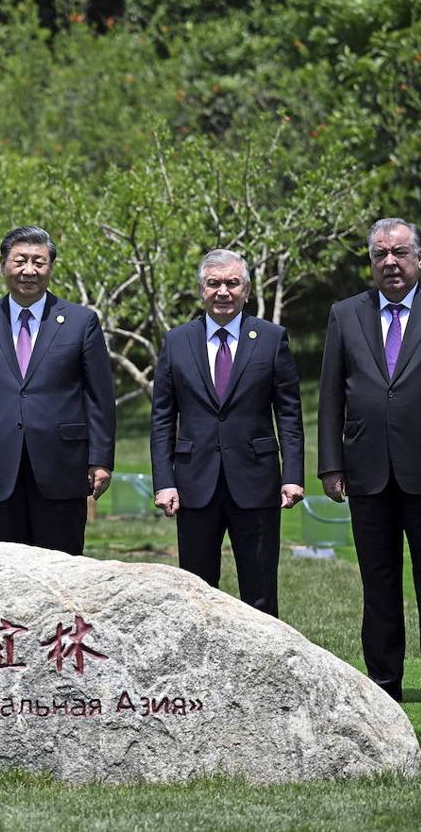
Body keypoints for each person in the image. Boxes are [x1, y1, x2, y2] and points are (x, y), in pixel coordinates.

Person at [318, 217, 421, 706]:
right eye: (379, 255)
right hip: (367, 470)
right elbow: (331, 395)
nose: (389, 262)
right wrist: (331, 464)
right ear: (371, 261)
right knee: (379, 579)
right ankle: (384, 680)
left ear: (419, 256)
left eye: (398, 253)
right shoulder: (346, 314)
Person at [150, 249, 304, 616]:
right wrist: (164, 481)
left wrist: (293, 474)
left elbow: (289, 413)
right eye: (214, 283)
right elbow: (161, 418)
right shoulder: (177, 341)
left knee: (261, 587)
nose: (223, 291)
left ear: (246, 290)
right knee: (197, 589)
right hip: (194, 484)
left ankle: (267, 665)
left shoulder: (271, 338)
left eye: (232, 283)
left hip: (257, 481)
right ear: (201, 290)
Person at [0, 225, 116, 556]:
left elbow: (99, 399)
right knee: (8, 567)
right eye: (20, 260)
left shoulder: (80, 321)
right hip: (1, 464)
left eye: (39, 262)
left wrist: (100, 460)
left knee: (62, 564)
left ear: (51, 268)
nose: (29, 270)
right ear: (3, 266)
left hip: (63, 465)